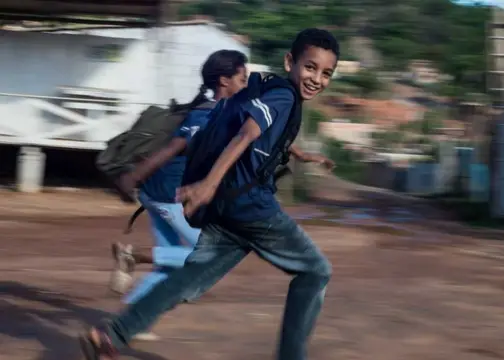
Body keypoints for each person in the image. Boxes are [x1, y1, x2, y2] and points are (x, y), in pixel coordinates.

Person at [79, 28, 339, 360]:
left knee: (189, 278)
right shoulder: (285, 97)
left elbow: (267, 138)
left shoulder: (272, 90)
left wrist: (301, 156)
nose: (316, 78)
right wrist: (209, 184)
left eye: (326, 73)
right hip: (250, 207)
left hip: (227, 206)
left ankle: (112, 335)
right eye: (310, 67)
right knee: (316, 271)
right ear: (291, 61)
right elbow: (248, 132)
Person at [108, 49, 249, 340]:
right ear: (225, 81)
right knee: (209, 255)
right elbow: (172, 149)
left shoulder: (218, 112)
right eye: (243, 79)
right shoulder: (209, 114)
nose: (246, 85)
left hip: (160, 194)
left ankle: (135, 318)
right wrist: (134, 177)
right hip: (168, 195)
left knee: (171, 266)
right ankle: (132, 255)